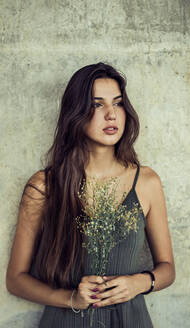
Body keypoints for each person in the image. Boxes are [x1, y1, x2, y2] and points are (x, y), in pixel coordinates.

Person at [6, 62, 175, 327]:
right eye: (97, 105)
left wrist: (139, 283)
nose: (111, 115)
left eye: (117, 103)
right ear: (76, 113)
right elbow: (15, 279)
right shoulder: (44, 186)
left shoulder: (147, 182)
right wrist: (70, 298)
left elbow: (167, 269)